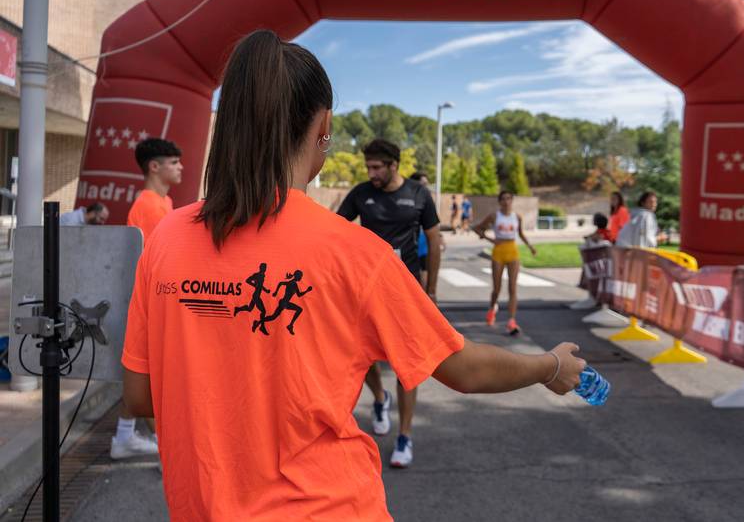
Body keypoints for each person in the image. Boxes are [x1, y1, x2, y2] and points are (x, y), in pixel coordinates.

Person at [120, 30, 584, 520]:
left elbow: (139, 396)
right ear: (324, 125)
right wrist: (549, 367)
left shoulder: (167, 239)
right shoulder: (355, 252)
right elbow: (462, 369)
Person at [337, 141, 442, 468]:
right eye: (368, 167)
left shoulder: (419, 195)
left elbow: (434, 241)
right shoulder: (361, 193)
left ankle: (405, 435)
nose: (372, 173)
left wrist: (432, 290)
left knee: (406, 365)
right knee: (364, 356)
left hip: (406, 290)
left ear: (394, 164)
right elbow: (335, 232)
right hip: (366, 290)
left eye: (377, 167)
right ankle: (380, 399)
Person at [111, 137, 183, 461]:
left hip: (150, 300)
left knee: (149, 378)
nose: (181, 166)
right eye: (174, 162)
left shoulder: (163, 203)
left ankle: (123, 438)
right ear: (155, 166)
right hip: (151, 303)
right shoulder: (151, 206)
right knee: (154, 381)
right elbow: (161, 267)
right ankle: (170, 455)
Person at [474, 190, 537, 336]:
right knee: (497, 288)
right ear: (499, 201)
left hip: (512, 251)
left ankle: (511, 321)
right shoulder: (495, 216)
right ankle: (492, 309)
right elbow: (477, 228)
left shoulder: (517, 217)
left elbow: (520, 233)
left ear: (512, 200)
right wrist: (490, 239)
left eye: (509, 198)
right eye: (503, 199)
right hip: (498, 252)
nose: (506, 201)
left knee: (512, 288)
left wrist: (530, 246)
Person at [409, 171, 445, 289]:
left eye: (426, 184)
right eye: (423, 184)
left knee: (424, 279)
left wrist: (440, 238)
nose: (426, 187)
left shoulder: (426, 200)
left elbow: (433, 225)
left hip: (424, 247)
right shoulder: (405, 201)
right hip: (409, 249)